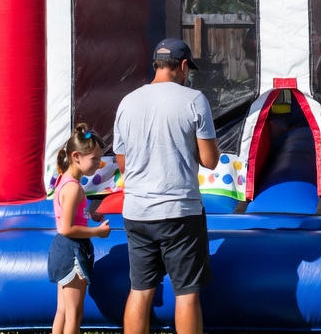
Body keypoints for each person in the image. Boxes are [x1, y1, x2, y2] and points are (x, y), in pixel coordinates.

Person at [114, 38, 219, 334]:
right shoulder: (194, 99)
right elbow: (210, 160)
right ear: (183, 66)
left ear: (156, 65)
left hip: (137, 211)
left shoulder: (127, 102)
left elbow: (123, 163)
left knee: (140, 290)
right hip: (179, 211)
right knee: (186, 293)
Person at [48, 123, 112, 334]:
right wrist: (97, 232)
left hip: (63, 250)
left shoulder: (65, 181)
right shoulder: (73, 188)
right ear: (76, 156)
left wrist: (90, 214)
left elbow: (70, 215)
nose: (99, 164)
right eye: (94, 159)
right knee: (74, 314)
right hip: (72, 252)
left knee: (63, 311)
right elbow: (66, 228)